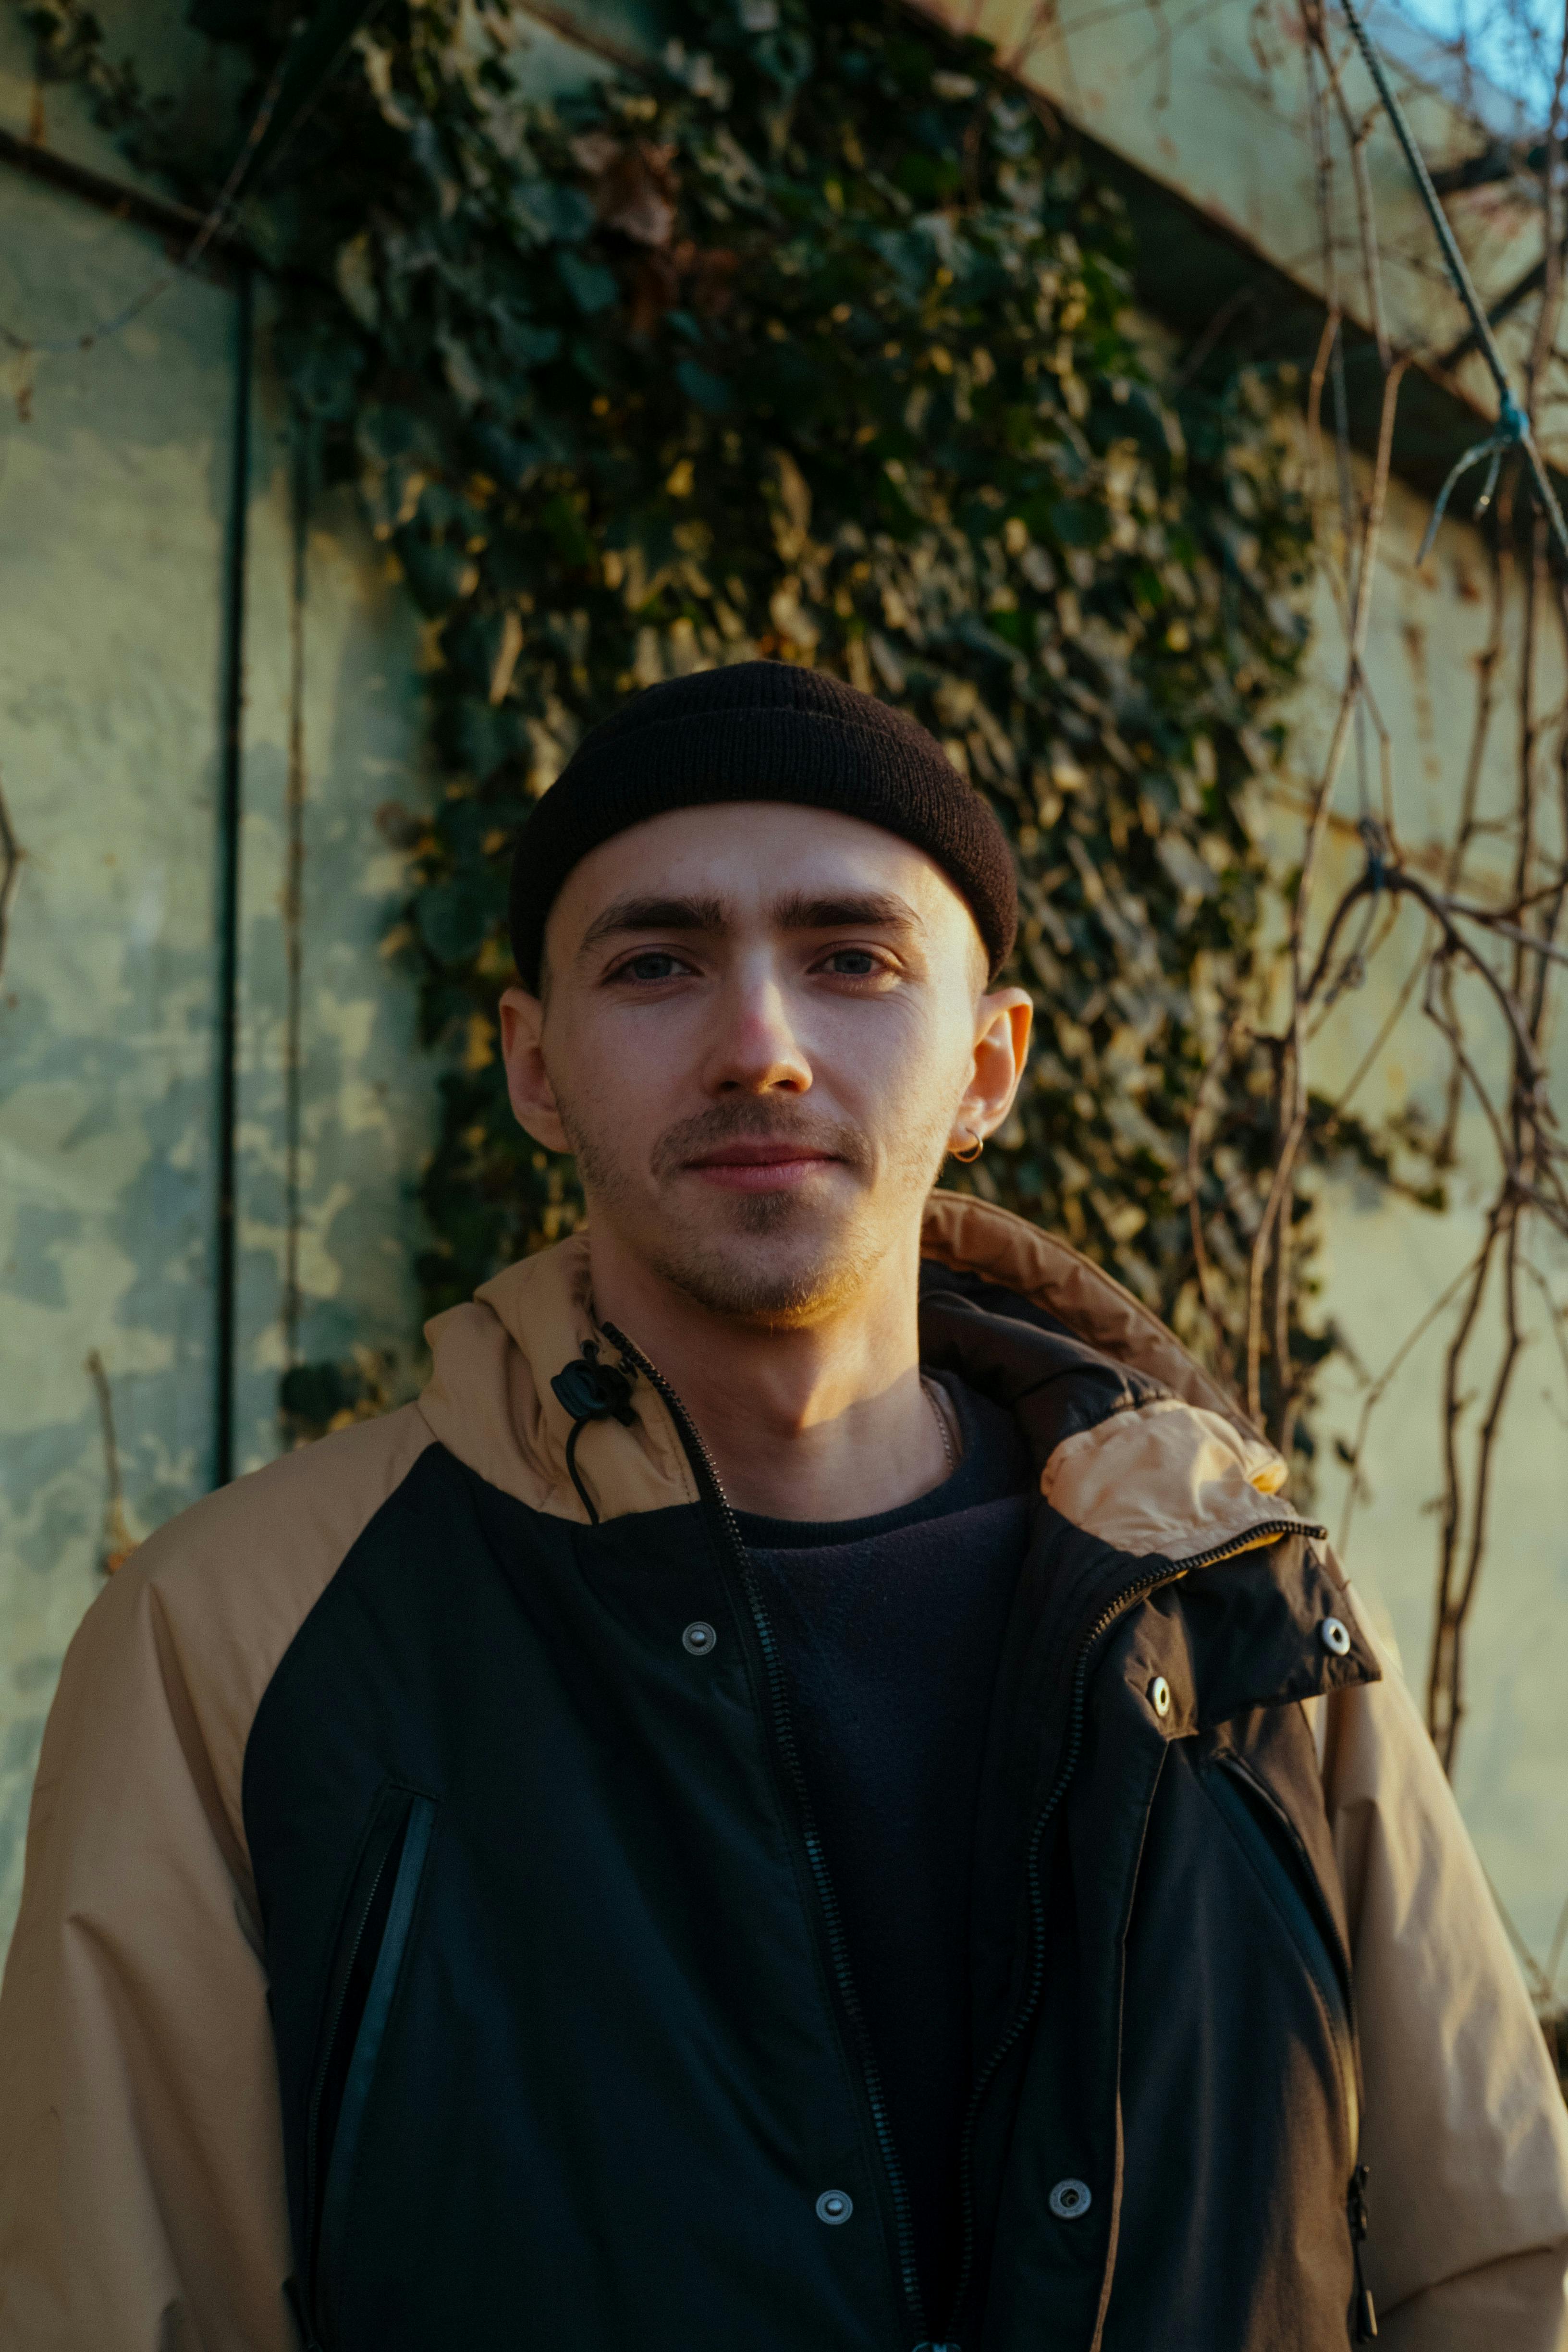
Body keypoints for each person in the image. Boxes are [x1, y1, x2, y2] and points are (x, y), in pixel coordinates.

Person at [1, 662, 1565, 2352]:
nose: (759, 1046)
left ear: (987, 1063)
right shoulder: (231, 1636)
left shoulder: (1242, 1601)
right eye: (658, 963)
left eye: (852, 961)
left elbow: (1498, 2266)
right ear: (535, 1062)